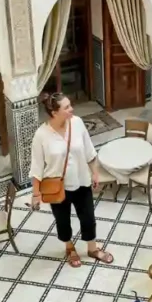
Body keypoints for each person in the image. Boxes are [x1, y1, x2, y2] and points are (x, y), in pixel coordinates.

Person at [29, 92, 114, 268]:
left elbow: (89, 151)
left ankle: (92, 248)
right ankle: (70, 248)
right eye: (66, 107)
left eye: (70, 105)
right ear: (54, 112)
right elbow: (36, 168)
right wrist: (36, 194)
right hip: (57, 187)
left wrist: (95, 173)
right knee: (63, 221)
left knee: (89, 218)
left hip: (82, 181)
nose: (72, 109)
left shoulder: (77, 123)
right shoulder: (41, 135)